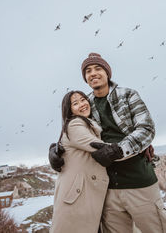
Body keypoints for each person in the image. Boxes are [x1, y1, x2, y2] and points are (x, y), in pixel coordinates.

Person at [50, 53, 166, 233]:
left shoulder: (128, 95)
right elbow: (76, 132)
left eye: (98, 68)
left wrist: (119, 150)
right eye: (88, 71)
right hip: (107, 190)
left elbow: (146, 129)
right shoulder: (87, 104)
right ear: (85, 78)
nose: (93, 73)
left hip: (139, 181)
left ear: (107, 72)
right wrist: (56, 149)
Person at [50, 90, 109, 233]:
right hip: (77, 197)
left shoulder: (87, 123)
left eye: (83, 100)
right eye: (75, 103)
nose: (82, 104)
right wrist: (136, 146)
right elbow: (104, 150)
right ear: (69, 110)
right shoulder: (75, 124)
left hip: (82, 195)